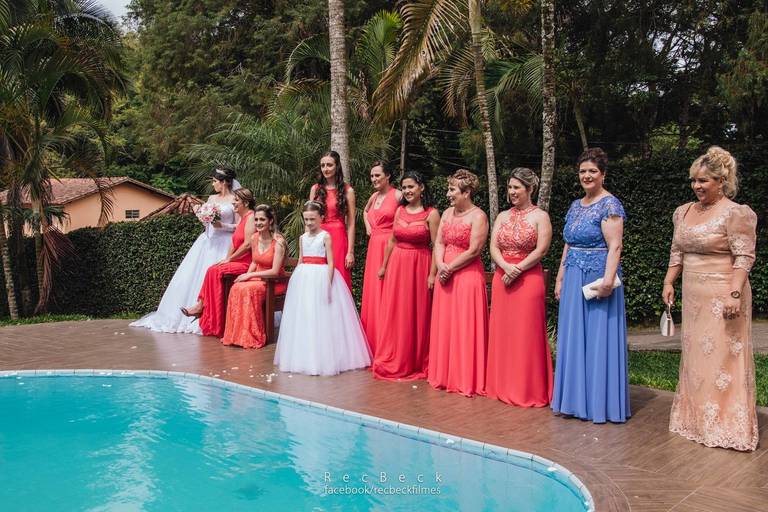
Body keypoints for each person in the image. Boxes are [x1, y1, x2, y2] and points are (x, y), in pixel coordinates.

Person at [663, 146, 759, 451]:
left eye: (703, 180)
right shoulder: (682, 211)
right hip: (694, 297)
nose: (697, 186)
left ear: (721, 181)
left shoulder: (736, 213)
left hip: (724, 295)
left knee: (722, 358)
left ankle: (725, 424)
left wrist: (734, 294)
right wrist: (669, 281)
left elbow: (744, 256)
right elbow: (677, 251)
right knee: (697, 359)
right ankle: (696, 420)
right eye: (694, 180)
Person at [551, 148, 630, 424]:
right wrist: (560, 277)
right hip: (574, 274)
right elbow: (568, 243)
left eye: (592, 171)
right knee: (573, 336)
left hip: (598, 277)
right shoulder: (575, 205)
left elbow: (615, 246)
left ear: (603, 174)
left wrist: (608, 280)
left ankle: (598, 403)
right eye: (582, 171)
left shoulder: (610, 205)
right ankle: (573, 401)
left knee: (597, 338)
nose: (586, 175)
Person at [131, 168, 240, 334]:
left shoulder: (235, 200)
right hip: (207, 242)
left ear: (224, 182)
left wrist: (222, 226)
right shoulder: (211, 198)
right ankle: (194, 311)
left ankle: (215, 316)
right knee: (193, 276)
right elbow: (208, 222)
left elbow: (240, 225)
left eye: (214, 181)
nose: (212, 184)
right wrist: (204, 217)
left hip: (225, 243)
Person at [274, 201, 371, 376]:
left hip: (321, 275)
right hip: (304, 277)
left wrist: (328, 283)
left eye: (312, 219)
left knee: (322, 315)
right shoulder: (302, 238)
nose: (309, 222)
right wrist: (296, 281)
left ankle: (325, 357)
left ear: (321, 218)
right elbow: (301, 259)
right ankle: (305, 357)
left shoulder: (325, 236)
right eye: (306, 219)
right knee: (306, 315)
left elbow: (331, 262)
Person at [486, 168, 553, 407]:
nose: (512, 192)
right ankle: (501, 385)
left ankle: (527, 388)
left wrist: (518, 269)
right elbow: (493, 246)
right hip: (502, 277)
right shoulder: (502, 216)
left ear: (530, 189)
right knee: (503, 332)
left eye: (517, 187)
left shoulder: (541, 216)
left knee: (526, 333)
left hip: (528, 278)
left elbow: (541, 250)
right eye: (510, 187)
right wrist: (505, 266)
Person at [427, 170, 489, 397]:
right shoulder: (446, 213)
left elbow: (474, 250)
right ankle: (444, 375)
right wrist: (440, 265)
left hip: (466, 276)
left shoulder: (478, 216)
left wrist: (450, 268)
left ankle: (464, 377)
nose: (448, 194)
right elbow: (439, 242)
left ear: (467, 192)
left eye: (452, 190)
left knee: (464, 326)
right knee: (445, 324)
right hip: (445, 275)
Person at [373, 171, 440, 381]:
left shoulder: (432, 213)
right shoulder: (399, 210)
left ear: (421, 187)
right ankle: (394, 355)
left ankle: (413, 360)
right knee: (396, 311)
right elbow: (392, 240)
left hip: (420, 264)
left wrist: (432, 274)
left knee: (415, 312)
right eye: (404, 187)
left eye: (411, 186)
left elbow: (437, 245)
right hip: (397, 265)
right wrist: (384, 266)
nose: (407, 191)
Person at [181, 188, 256, 337]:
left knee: (214, 271)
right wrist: (226, 259)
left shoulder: (251, 217)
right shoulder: (242, 219)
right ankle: (203, 307)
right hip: (237, 261)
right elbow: (234, 242)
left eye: (236, 200)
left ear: (246, 203)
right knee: (214, 268)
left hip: (247, 262)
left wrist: (230, 259)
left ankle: (201, 307)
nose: (233, 203)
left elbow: (248, 244)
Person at [221, 204, 287, 349]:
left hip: (273, 281)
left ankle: (251, 335)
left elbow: (275, 271)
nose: (258, 223)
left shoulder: (279, 241)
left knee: (249, 290)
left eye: (262, 219)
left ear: (270, 221)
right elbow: (255, 262)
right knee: (236, 287)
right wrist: (246, 275)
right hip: (258, 278)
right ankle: (236, 335)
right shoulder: (254, 238)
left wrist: (249, 275)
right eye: (256, 219)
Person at [360, 161, 402, 354]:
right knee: (374, 290)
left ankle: (388, 341)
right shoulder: (374, 196)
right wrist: (368, 226)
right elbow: (365, 211)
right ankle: (372, 341)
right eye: (372, 176)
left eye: (377, 175)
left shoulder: (398, 195)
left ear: (388, 176)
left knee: (387, 289)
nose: (374, 179)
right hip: (374, 245)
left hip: (390, 245)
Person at [309, 151, 356, 290]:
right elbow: (309, 219)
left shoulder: (348, 191)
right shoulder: (315, 189)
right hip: (318, 237)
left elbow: (351, 223)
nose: (325, 169)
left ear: (337, 166)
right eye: (323, 165)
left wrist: (350, 252)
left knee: (338, 277)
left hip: (338, 239)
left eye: (329, 165)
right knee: (317, 278)